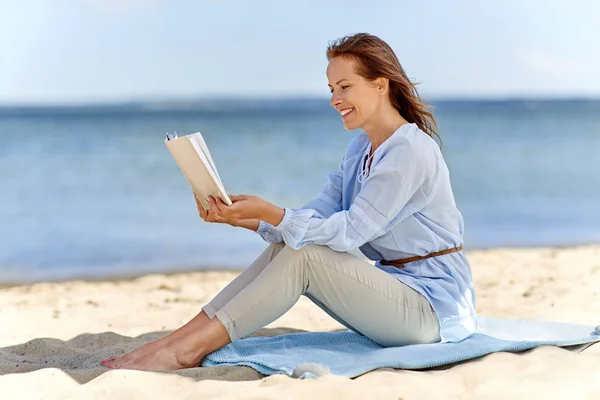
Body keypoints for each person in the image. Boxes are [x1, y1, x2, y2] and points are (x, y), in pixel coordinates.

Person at [101, 33, 477, 371]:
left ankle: (185, 350)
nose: (335, 100)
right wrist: (241, 217)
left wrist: (273, 213)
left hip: (433, 312)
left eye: (345, 87)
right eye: (331, 88)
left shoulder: (408, 150)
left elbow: (348, 233)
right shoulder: (361, 147)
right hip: (397, 292)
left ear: (381, 85)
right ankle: (175, 342)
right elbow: (313, 216)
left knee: (305, 253)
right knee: (292, 242)